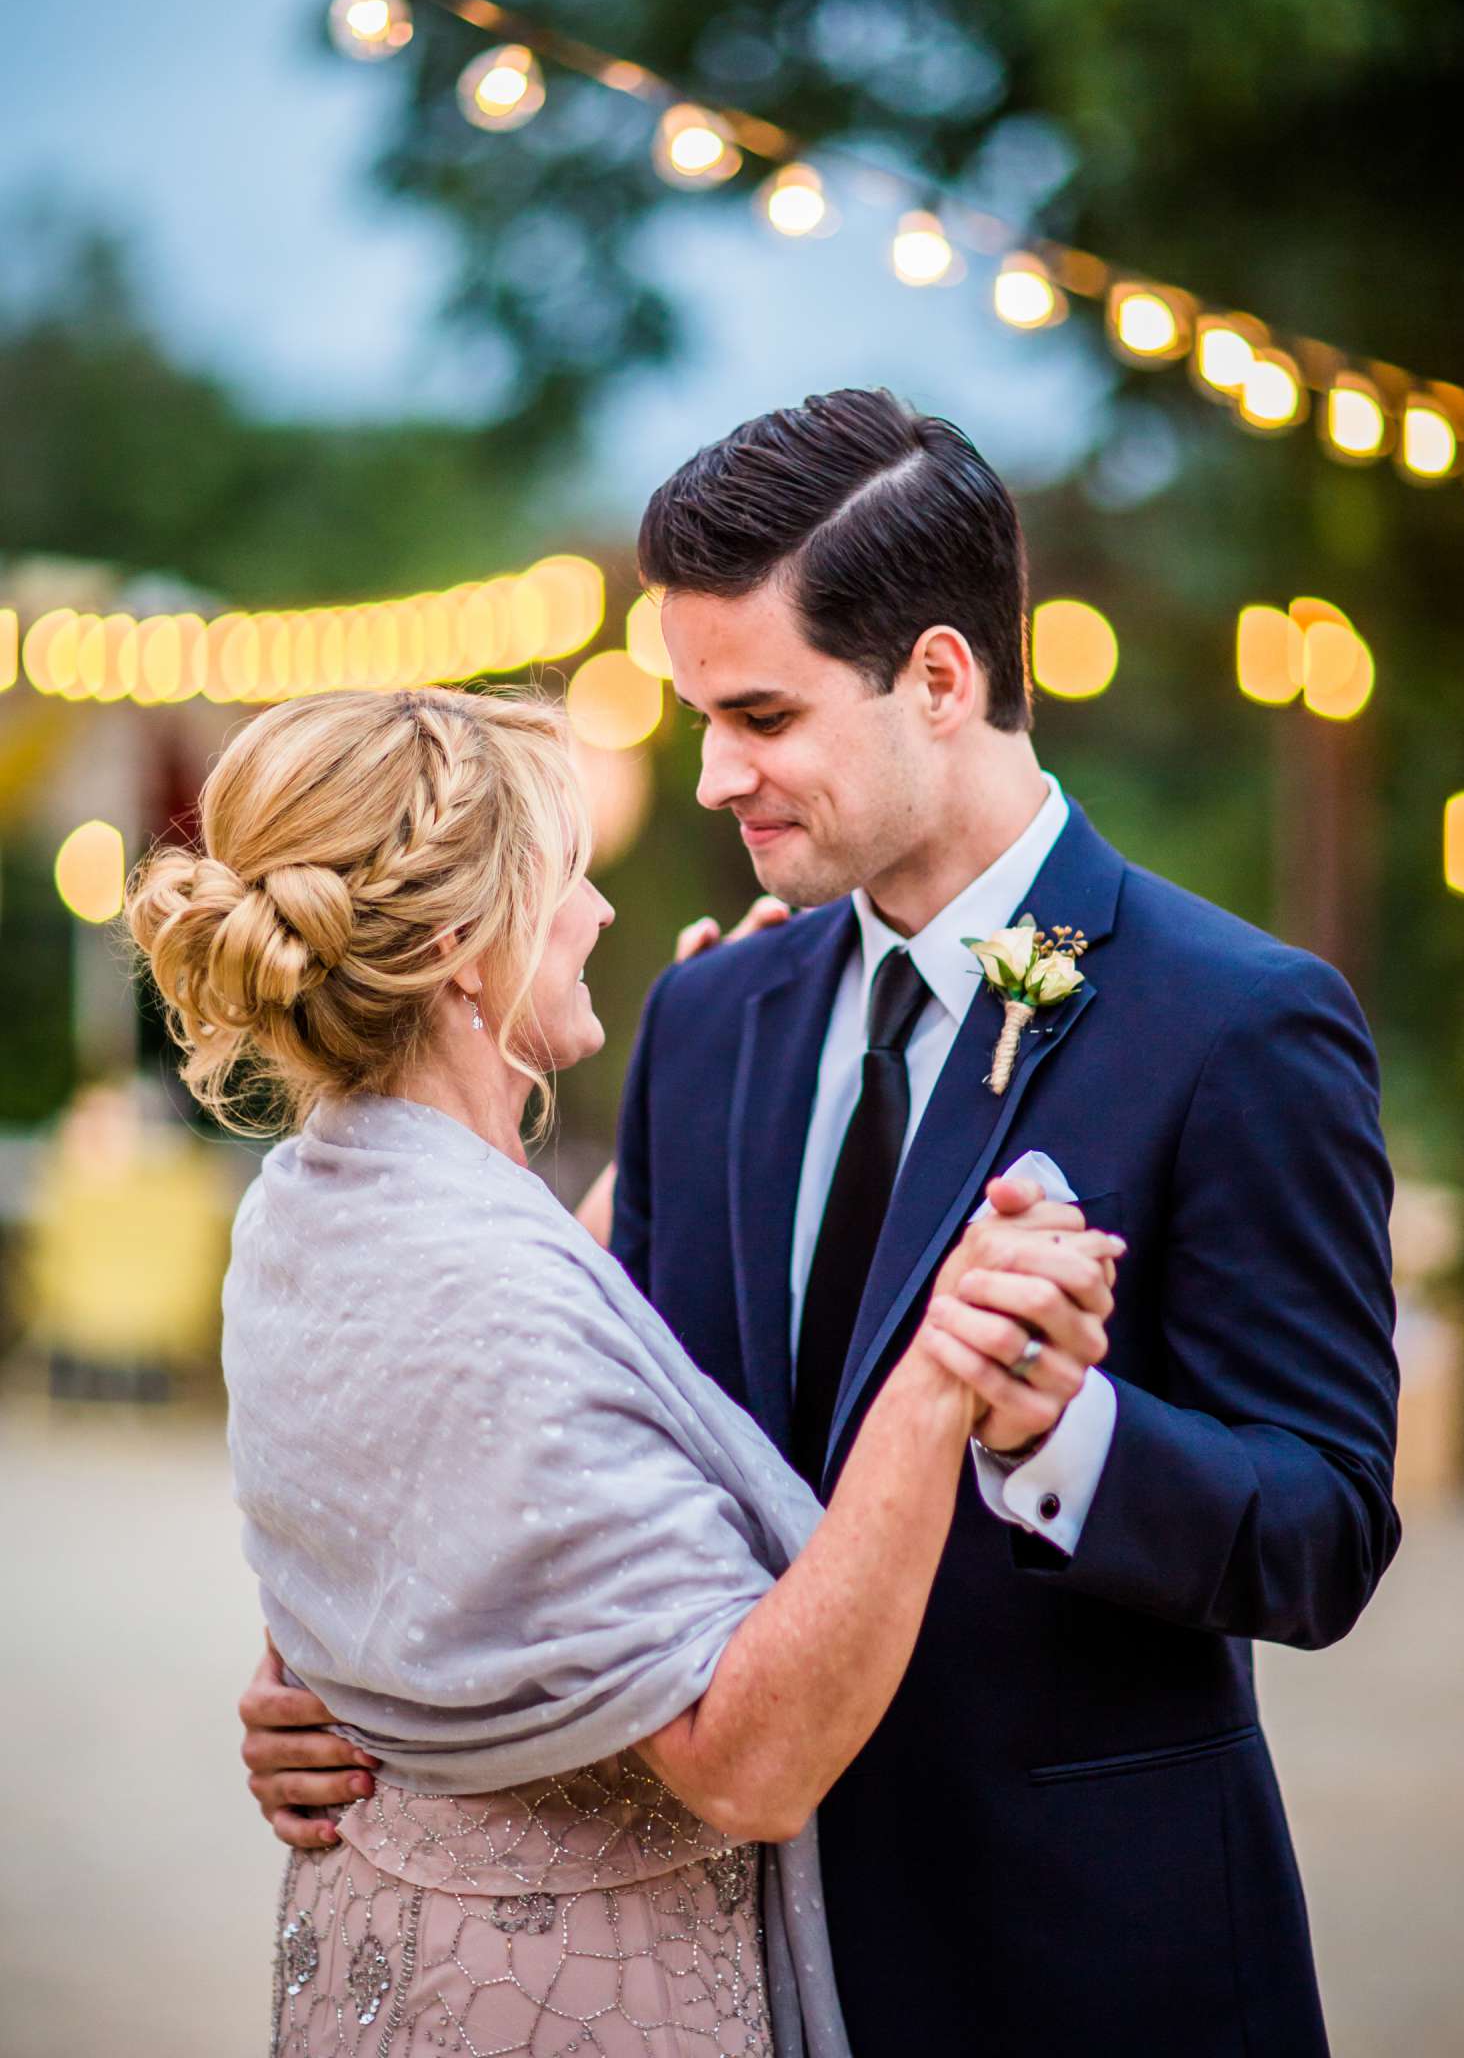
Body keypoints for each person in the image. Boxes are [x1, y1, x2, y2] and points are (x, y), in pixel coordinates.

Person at [242, 386, 1402, 2054]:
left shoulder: (1238, 1024)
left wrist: (1065, 1433)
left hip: (1079, 1963)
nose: (714, 776)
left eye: (763, 714)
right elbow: (573, 1448)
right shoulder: (711, 1023)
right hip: (728, 1958)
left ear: (939, 679)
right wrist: (353, 1680)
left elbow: (1326, 1529)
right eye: (700, 713)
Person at [130, 683, 1117, 2056]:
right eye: (572, 876)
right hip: (572, 1996)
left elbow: (524, 1360)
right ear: (469, 951)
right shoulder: (486, 1290)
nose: (599, 916)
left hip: (382, 1948)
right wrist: (943, 1361)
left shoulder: (305, 1202)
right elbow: (748, 1760)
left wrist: (687, 1109)